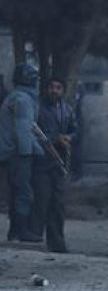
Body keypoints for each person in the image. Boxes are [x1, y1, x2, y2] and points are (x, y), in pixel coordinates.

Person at [29, 77, 77, 252]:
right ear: (46, 89)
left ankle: (57, 242)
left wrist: (69, 138)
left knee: (58, 203)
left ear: (63, 91)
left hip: (59, 163)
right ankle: (32, 236)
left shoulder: (68, 110)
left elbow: (75, 130)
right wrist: (54, 139)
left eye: (58, 87)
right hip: (41, 161)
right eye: (51, 87)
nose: (54, 91)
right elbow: (33, 132)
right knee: (41, 199)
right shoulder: (37, 108)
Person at [0, 64, 43, 243]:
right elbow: (23, 130)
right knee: (24, 192)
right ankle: (21, 231)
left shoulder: (15, 96)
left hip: (10, 152)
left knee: (17, 191)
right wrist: (34, 151)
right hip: (19, 154)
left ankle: (14, 231)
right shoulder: (23, 99)